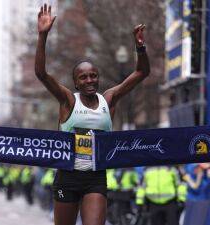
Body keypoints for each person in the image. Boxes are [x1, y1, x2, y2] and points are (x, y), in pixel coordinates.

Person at [34, 4, 150, 225]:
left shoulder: (109, 99)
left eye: (93, 76)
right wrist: (43, 36)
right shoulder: (68, 100)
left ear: (98, 78)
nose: (89, 80)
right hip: (67, 176)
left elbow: (142, 72)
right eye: (83, 77)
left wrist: (140, 48)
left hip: (95, 178)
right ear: (76, 82)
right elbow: (41, 73)